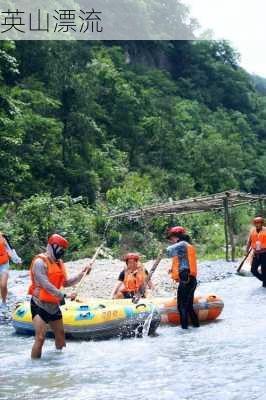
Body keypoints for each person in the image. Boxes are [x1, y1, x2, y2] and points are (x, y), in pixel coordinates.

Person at [28, 233, 91, 359]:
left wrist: (82, 273)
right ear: (52, 247)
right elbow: (45, 285)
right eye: (60, 248)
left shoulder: (59, 263)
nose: (62, 252)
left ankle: (59, 363)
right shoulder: (40, 263)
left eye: (63, 249)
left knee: (61, 336)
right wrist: (65, 295)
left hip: (54, 305)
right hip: (39, 305)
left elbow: (66, 282)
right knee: (40, 338)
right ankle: (34, 368)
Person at [166, 226, 200, 330]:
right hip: (191, 279)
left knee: (181, 307)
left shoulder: (181, 244)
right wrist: (173, 270)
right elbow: (183, 261)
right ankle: (196, 326)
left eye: (171, 239)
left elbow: (167, 251)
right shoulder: (187, 245)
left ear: (176, 237)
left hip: (185, 278)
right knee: (188, 306)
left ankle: (184, 330)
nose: (171, 241)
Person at [0, 232, 22, 310]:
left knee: (3, 285)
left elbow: (10, 250)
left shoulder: (2, 237)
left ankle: (4, 302)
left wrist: (17, 260)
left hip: (4, 264)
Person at [246, 217, 266, 287]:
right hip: (256, 253)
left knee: (264, 269)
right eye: (256, 223)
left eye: (259, 223)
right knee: (253, 270)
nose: (257, 224)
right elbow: (249, 242)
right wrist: (246, 251)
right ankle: (264, 280)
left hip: (264, 253)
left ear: (262, 223)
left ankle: (265, 283)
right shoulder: (252, 231)